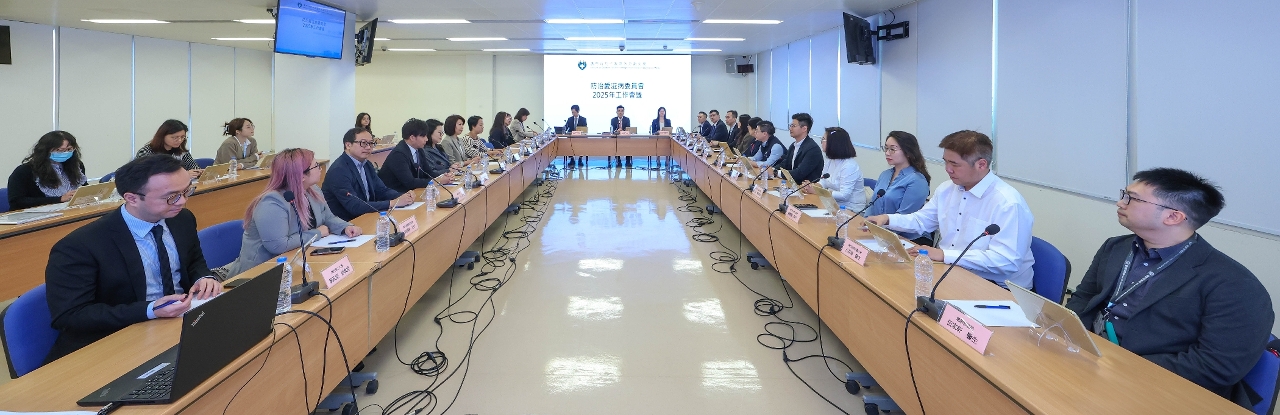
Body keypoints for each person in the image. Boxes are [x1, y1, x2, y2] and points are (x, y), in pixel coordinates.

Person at [1066, 168, 1271, 407]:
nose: (1120, 202)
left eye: (1132, 198)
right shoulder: (1116, 247)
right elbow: (1085, 297)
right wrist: (1066, 333)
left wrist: (1122, 366)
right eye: (1124, 194)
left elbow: (1215, 366)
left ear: (1173, 217)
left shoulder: (1235, 285)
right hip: (1092, 359)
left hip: (1161, 389)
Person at [44, 155, 221, 362]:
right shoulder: (80, 246)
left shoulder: (182, 219)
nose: (182, 201)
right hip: (118, 340)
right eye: (172, 196)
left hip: (178, 325)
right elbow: (71, 315)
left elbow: (194, 261)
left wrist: (203, 277)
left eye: (186, 191)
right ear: (132, 198)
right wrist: (150, 310)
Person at [865, 130, 1035, 289]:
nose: (947, 169)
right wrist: (887, 219)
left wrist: (944, 255)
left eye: (954, 164)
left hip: (997, 286)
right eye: (945, 161)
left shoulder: (1008, 203)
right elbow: (922, 220)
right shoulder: (947, 189)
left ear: (981, 164)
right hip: (950, 270)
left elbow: (1006, 261)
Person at [222, 148, 361, 277]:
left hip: (295, 261)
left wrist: (345, 227)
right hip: (259, 273)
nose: (320, 169)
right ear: (301, 176)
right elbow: (278, 245)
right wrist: (317, 233)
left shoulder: (313, 190)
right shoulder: (272, 202)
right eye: (316, 166)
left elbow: (328, 217)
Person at [321, 128, 415, 221]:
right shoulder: (339, 170)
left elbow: (382, 190)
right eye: (363, 143)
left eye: (371, 143)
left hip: (366, 216)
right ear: (348, 145)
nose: (368, 147)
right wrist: (393, 203)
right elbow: (354, 206)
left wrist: (403, 196)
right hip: (347, 223)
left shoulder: (366, 164)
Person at [866, 131, 933, 246]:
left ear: (908, 152)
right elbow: (873, 204)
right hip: (881, 233)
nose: (887, 153)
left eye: (892, 149)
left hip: (910, 239)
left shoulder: (917, 180)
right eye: (886, 148)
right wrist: (867, 222)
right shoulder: (885, 174)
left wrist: (879, 232)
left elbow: (904, 217)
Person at [7, 131, 87, 210]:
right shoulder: (24, 171)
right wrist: (59, 199)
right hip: (35, 215)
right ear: (46, 150)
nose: (65, 153)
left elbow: (83, 188)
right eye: (59, 150)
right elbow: (17, 202)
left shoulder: (76, 166)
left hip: (69, 211)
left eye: (69, 149)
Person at [380, 118, 455, 193]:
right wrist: (437, 181)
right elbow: (410, 182)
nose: (426, 139)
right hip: (396, 194)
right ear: (412, 137)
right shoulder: (398, 155)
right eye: (423, 136)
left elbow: (429, 173)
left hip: (412, 192)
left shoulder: (419, 150)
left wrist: (444, 175)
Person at [804, 127, 865, 211]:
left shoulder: (849, 166)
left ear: (833, 143)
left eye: (823, 139)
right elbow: (823, 182)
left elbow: (844, 195)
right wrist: (812, 187)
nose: (821, 142)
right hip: (832, 204)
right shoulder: (830, 160)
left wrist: (818, 191)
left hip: (850, 209)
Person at [136, 119, 202, 179]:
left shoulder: (182, 152)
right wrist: (183, 175)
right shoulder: (146, 152)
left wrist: (200, 172)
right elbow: (147, 177)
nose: (179, 140)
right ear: (162, 136)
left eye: (182, 137)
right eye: (175, 137)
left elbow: (194, 168)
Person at [778, 113, 824, 184]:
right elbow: (785, 164)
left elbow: (799, 173)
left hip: (805, 188)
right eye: (790, 125)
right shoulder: (793, 146)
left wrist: (777, 173)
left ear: (804, 129)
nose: (790, 128)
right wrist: (772, 169)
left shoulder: (812, 149)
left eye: (793, 126)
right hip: (792, 185)